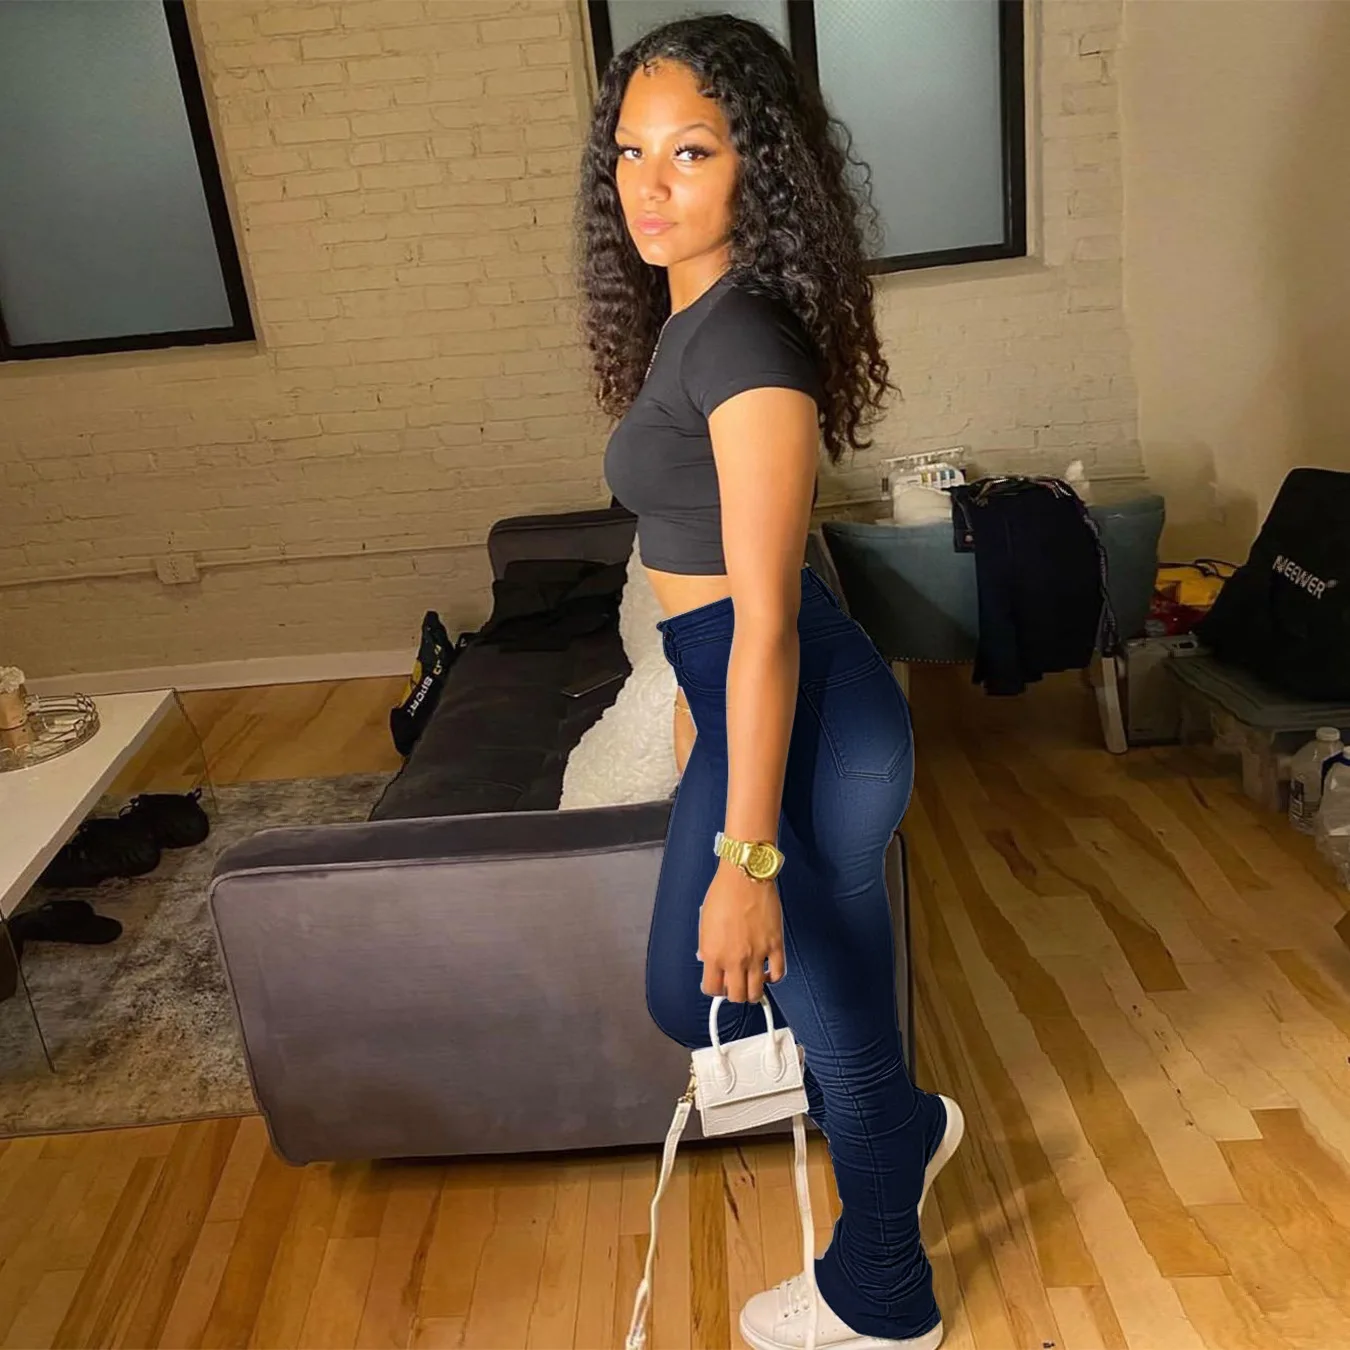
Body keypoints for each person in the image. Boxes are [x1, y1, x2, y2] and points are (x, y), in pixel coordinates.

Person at [575, 14, 965, 1350]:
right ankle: (905, 1126)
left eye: (690, 151)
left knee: (822, 1007)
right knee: (690, 994)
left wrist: (744, 853)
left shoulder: (744, 346)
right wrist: (698, 718)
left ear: (762, 166)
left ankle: (885, 1295)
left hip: (809, 719)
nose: (648, 183)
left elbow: (768, 618)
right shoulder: (690, 316)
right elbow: (710, 599)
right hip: (745, 699)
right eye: (630, 151)